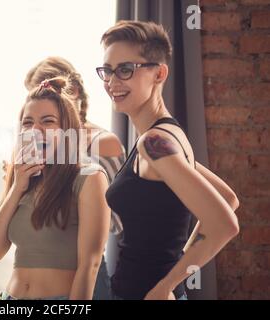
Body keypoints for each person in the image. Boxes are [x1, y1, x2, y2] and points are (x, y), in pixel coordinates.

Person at [97, 20, 240, 300]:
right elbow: (228, 198)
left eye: (125, 70)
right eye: (107, 71)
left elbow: (225, 223)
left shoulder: (154, 143)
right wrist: (177, 269)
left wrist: (166, 286)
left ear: (159, 73)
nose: (113, 82)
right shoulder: (164, 137)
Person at [0, 76, 111, 300]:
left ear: (66, 130)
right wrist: (17, 187)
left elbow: (90, 266)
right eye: (28, 122)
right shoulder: (22, 176)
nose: (36, 129)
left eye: (47, 121)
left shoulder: (90, 178)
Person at [23, 56, 126, 299]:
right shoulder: (44, 146)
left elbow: (117, 221)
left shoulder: (104, 142)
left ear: (74, 92)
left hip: (84, 273)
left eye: (48, 96)